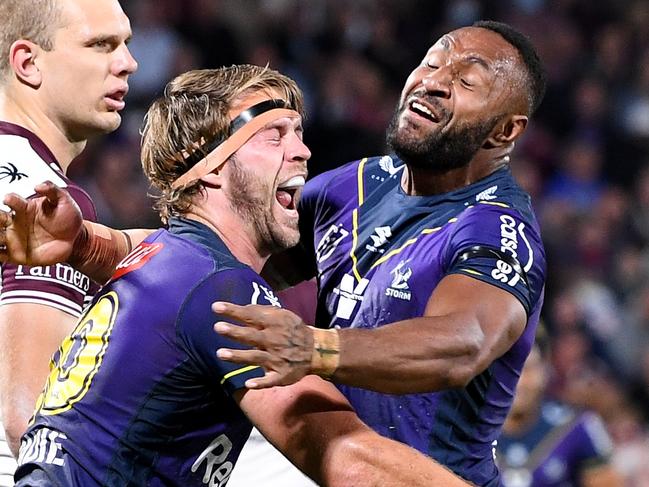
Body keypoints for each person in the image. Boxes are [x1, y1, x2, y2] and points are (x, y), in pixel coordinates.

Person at [0, 20, 547, 486]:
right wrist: (87, 244)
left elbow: (463, 344)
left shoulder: (497, 229)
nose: (434, 83)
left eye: (466, 81)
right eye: (431, 63)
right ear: (209, 163)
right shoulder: (353, 191)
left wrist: (317, 348)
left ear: (506, 131)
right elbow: (210, 257)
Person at [0, 0, 138, 469]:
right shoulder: (42, 199)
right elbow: (33, 421)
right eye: (101, 45)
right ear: (28, 62)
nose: (127, 63)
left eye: (126, 44)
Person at [497, 335, 622, 486]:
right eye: (505, 369)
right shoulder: (466, 435)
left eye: (527, 369)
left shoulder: (577, 426)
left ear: (545, 369)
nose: (518, 382)